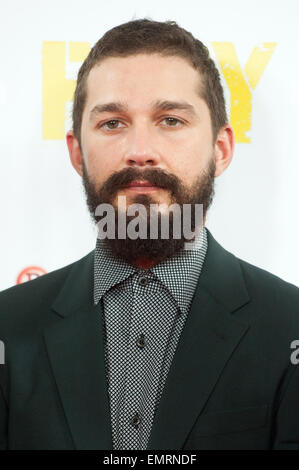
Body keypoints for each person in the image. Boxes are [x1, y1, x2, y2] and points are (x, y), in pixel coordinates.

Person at [0, 18, 298, 451]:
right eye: (113, 123)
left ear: (221, 150)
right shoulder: (7, 326)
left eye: (171, 120)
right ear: (77, 153)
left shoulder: (289, 326)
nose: (140, 151)